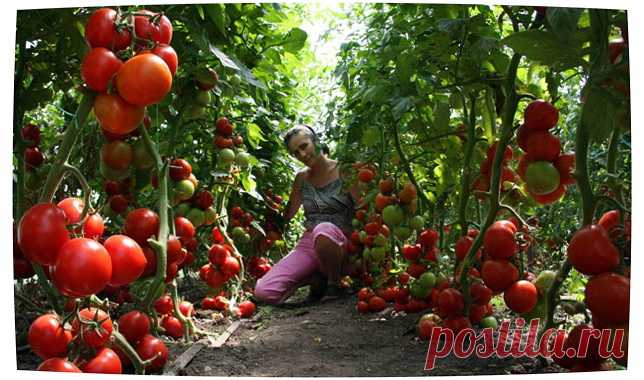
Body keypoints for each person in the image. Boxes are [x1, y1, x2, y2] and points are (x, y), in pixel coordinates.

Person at [254, 124, 359, 304]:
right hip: (309, 244)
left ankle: (334, 283)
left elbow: (363, 210)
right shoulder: (302, 179)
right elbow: (287, 215)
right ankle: (315, 277)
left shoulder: (345, 171)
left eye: (304, 146)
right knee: (265, 292)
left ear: (316, 141)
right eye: (296, 152)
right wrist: (264, 202)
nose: (302, 154)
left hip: (342, 245)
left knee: (324, 230)